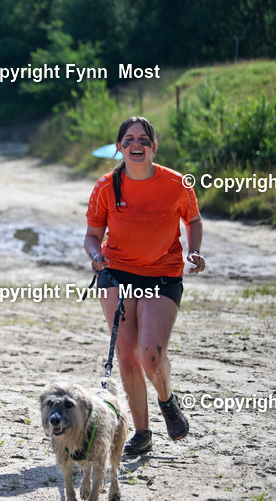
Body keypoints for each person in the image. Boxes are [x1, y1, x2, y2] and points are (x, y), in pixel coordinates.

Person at [84, 115, 205, 456]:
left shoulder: (176, 184)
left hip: (162, 274)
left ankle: (167, 401)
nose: (136, 144)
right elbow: (93, 237)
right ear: (119, 147)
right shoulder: (106, 186)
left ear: (154, 146)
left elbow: (193, 220)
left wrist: (193, 251)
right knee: (127, 355)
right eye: (128, 139)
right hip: (116, 273)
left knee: (150, 355)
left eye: (143, 139)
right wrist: (96, 256)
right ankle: (142, 432)